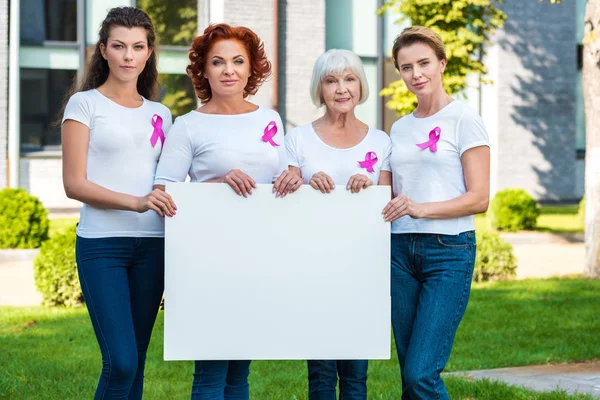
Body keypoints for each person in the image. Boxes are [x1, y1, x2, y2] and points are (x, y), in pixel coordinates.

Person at [153, 23, 298, 399]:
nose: (229, 70)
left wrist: (293, 177)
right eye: (218, 62)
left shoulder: (271, 119)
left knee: (239, 373)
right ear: (203, 70)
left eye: (238, 61)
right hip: (210, 257)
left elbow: (279, 176)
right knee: (211, 370)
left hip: (259, 254)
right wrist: (214, 186)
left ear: (252, 69)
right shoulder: (187, 126)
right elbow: (162, 194)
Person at [60, 7, 175, 399]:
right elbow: (74, 184)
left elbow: (173, 181)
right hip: (101, 246)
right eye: (120, 46)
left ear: (148, 53)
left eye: (137, 47)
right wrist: (137, 202)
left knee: (137, 363)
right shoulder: (84, 105)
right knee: (121, 361)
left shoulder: (162, 113)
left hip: (153, 247)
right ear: (104, 51)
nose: (129, 55)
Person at [381, 26, 490, 399]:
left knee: (421, 373)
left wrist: (418, 208)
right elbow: (388, 192)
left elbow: (479, 199)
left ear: (442, 63)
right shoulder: (398, 128)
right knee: (408, 374)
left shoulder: (464, 120)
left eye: (424, 63)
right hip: (399, 253)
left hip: (449, 251)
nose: (416, 74)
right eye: (406, 67)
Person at [286, 48, 392, 400]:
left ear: (360, 86)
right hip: (313, 269)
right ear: (320, 88)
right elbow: (283, 195)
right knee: (320, 376)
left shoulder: (382, 142)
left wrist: (371, 187)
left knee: (355, 379)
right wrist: (304, 182)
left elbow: (388, 202)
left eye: (349, 79)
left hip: (364, 270)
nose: (341, 88)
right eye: (331, 80)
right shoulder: (297, 140)